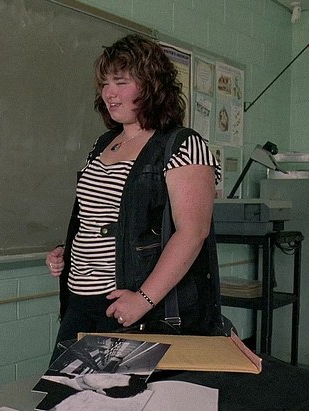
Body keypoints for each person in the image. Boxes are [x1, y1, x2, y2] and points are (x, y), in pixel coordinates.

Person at [46, 34, 231, 361]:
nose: (109, 93)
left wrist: (143, 300)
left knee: (121, 393)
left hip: (134, 306)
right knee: (64, 389)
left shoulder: (182, 145)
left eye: (121, 82)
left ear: (151, 86)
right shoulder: (102, 144)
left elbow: (193, 232)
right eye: (105, 83)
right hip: (80, 301)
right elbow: (103, 218)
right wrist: (70, 249)